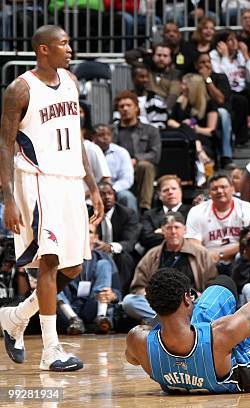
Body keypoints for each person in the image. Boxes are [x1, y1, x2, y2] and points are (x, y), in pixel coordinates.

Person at [124, 218, 250, 392]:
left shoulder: (137, 340)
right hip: (242, 367)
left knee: (223, 283)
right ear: (188, 299)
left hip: (198, 349)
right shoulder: (223, 333)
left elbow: (133, 359)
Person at [0, 25, 104, 371]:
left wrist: (92, 185)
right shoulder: (20, 88)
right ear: (43, 49)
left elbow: (76, 138)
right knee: (49, 261)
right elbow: (5, 144)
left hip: (71, 181)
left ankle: (16, 316)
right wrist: (9, 199)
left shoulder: (71, 82)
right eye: (63, 43)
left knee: (73, 266)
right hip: (38, 180)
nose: (70, 48)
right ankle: (51, 351)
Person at [123, 212, 218, 324]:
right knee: (129, 301)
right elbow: (138, 286)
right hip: (160, 304)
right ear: (162, 231)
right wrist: (151, 295)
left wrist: (200, 295)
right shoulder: (152, 255)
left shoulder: (201, 253)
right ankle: (171, 322)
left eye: (177, 227)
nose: (173, 232)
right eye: (169, 228)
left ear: (185, 229)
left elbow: (212, 283)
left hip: (191, 302)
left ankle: (165, 323)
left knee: (207, 303)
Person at [185, 174, 250, 275]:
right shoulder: (197, 211)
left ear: (232, 188)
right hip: (208, 260)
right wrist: (208, 255)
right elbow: (192, 243)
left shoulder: (246, 208)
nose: (219, 191)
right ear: (209, 192)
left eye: (223, 187)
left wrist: (220, 254)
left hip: (240, 258)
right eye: (214, 188)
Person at [57, 224, 121, 335]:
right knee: (51, 285)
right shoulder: (62, 258)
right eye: (82, 230)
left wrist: (113, 295)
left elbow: (118, 291)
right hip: (69, 309)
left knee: (104, 264)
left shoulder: (104, 258)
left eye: (90, 232)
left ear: (95, 238)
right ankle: (74, 321)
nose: (85, 234)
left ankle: (101, 317)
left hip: (94, 305)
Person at [113, 91, 162, 211]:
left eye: (128, 105)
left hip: (139, 168)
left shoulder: (150, 130)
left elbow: (155, 154)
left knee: (145, 166)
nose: (125, 109)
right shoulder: (112, 131)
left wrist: (136, 159)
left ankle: (144, 209)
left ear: (136, 108)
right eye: (121, 106)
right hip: (118, 169)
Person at [139, 175, 192, 254]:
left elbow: (192, 236)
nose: (170, 192)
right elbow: (145, 239)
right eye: (165, 190)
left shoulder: (192, 211)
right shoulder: (149, 215)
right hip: (156, 257)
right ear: (159, 195)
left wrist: (163, 232)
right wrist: (178, 234)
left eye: (174, 188)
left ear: (181, 191)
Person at [94, 124, 138, 213]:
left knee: (127, 197)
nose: (106, 137)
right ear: (93, 136)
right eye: (101, 135)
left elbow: (127, 179)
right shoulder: (87, 151)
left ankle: (134, 225)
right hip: (93, 189)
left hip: (115, 189)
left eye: (108, 134)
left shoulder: (121, 152)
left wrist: (111, 190)